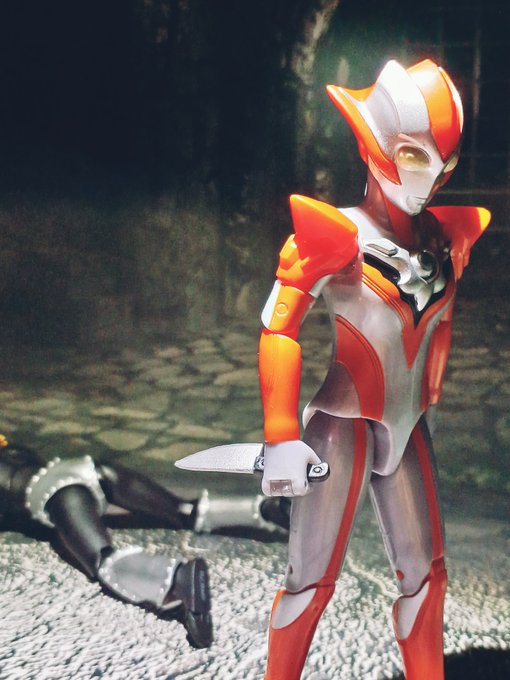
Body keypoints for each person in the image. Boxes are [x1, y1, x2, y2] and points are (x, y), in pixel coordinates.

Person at [258, 59, 490, 679]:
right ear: (373, 146)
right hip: (344, 421)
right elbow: (278, 328)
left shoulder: (445, 236)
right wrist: (280, 435)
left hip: (409, 425)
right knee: (310, 582)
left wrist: (432, 390)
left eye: (444, 164)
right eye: (415, 157)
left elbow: (438, 331)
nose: (429, 178)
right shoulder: (335, 234)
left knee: (428, 579)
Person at [0, 434, 289, 649]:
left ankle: (176, 580)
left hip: (57, 492)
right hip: (89, 470)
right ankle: (264, 509)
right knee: (181, 510)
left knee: (103, 560)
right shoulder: (11, 450)